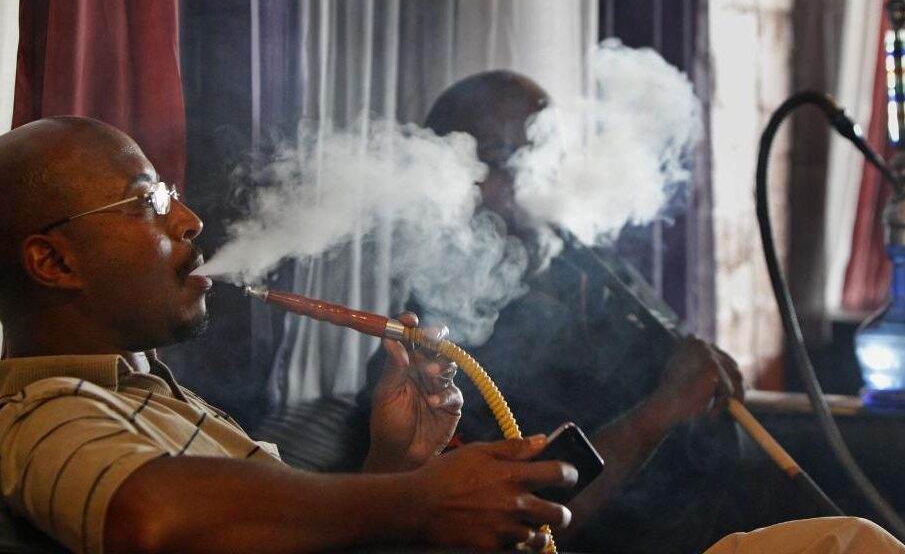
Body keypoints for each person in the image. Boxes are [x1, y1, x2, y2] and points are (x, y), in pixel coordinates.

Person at [0, 115, 578, 554]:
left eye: (170, 194)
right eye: (147, 199)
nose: (189, 220)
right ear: (54, 262)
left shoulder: (151, 398)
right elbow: (146, 515)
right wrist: (421, 499)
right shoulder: (40, 412)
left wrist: (394, 462)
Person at [350, 70, 844, 553]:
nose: (533, 177)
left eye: (544, 154)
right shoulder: (428, 356)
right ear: (447, 176)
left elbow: (693, 381)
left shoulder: (594, 270)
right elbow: (520, 527)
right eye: (504, 157)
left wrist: (701, 379)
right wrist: (660, 411)